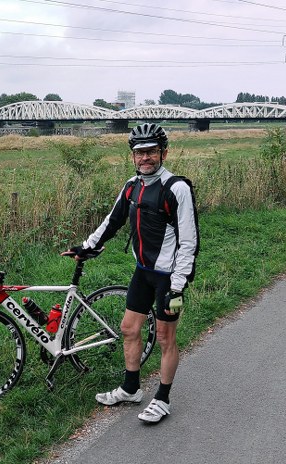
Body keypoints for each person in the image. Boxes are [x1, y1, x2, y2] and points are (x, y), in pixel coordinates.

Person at [66, 122, 198, 424]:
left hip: (168, 276)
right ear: (132, 156)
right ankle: (130, 388)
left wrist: (177, 285)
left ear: (163, 152)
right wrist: (86, 247)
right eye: (140, 153)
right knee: (129, 328)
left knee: (165, 337)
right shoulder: (131, 186)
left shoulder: (176, 188)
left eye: (151, 151)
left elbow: (189, 240)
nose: (145, 158)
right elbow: (111, 222)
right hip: (142, 270)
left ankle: (162, 399)